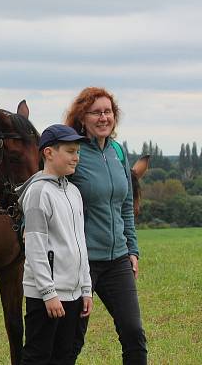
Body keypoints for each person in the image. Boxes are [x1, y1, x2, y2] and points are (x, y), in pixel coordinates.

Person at [66, 87, 147, 364]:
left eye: (108, 112)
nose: (104, 118)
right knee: (71, 341)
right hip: (82, 262)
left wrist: (132, 249)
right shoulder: (73, 151)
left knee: (133, 333)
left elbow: (125, 203)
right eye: (96, 112)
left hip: (117, 260)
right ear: (82, 117)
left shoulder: (117, 151)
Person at [18, 124, 93, 365]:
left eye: (78, 152)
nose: (76, 157)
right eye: (70, 151)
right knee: (38, 357)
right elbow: (35, 247)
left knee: (64, 356)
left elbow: (80, 243)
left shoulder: (74, 192)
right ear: (49, 153)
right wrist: (49, 293)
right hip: (46, 297)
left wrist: (86, 288)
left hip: (73, 294)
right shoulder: (39, 193)